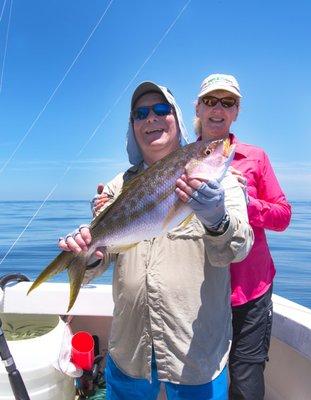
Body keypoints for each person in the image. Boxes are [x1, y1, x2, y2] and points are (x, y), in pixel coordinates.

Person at [59, 81, 254, 400]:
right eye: (141, 113)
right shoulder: (115, 187)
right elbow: (107, 254)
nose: (151, 118)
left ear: (177, 119)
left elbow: (238, 249)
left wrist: (216, 217)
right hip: (129, 352)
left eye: (161, 110)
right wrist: (89, 255)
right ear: (132, 126)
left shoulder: (224, 184)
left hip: (195, 355)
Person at [192, 73, 292, 400]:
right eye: (210, 101)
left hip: (251, 289)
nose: (217, 108)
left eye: (227, 102)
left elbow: (283, 216)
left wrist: (244, 201)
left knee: (246, 382)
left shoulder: (256, 157)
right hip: (201, 292)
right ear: (198, 108)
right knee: (201, 379)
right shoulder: (179, 161)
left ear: (237, 111)